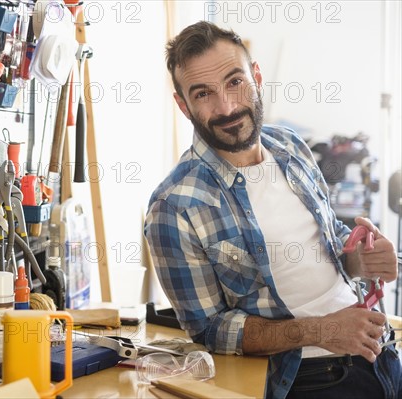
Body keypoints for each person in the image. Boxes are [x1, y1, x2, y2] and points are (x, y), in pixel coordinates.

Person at [144, 20, 401, 399]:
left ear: (257, 76)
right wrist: (320, 330)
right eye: (203, 94)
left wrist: (361, 259)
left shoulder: (289, 145)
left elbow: (328, 242)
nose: (227, 106)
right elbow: (210, 330)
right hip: (314, 378)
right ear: (183, 105)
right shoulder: (173, 207)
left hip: (381, 353)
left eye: (235, 82)